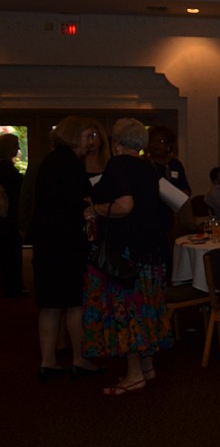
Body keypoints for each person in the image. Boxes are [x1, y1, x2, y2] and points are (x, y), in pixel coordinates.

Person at [82, 118, 173, 395]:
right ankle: (147, 367)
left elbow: (124, 205)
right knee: (145, 308)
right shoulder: (149, 167)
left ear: (117, 143)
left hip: (125, 254)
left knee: (127, 312)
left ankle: (134, 375)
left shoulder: (118, 165)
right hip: (149, 252)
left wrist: (94, 209)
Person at [30, 116, 104, 381]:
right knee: (74, 304)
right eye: (88, 136)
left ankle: (48, 361)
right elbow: (80, 204)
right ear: (74, 136)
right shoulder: (71, 165)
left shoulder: (49, 161)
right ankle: (78, 358)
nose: (92, 142)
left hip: (47, 244)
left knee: (49, 304)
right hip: (67, 245)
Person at [0, 133, 25, 297]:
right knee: (10, 253)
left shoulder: (7, 168)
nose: (17, 148)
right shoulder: (8, 170)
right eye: (15, 145)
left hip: (7, 219)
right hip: (9, 220)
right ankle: (11, 287)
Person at [80, 117, 110, 185]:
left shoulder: (108, 163)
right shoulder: (77, 164)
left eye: (94, 135)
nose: (91, 140)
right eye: (87, 136)